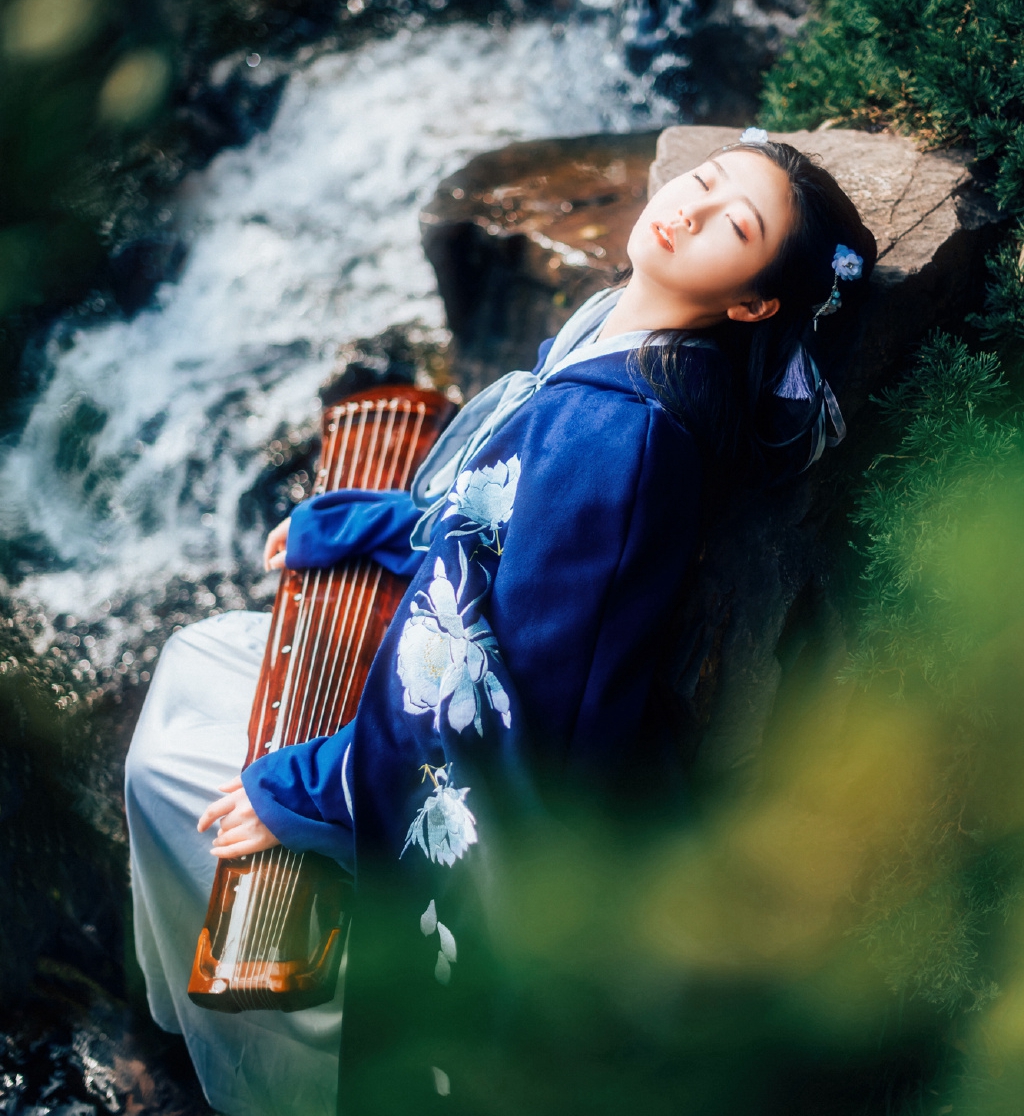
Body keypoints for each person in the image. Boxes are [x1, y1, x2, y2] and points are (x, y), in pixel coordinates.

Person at [125, 132, 877, 1116]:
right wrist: (363, 522)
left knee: (177, 771)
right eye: (702, 181)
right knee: (191, 661)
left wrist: (318, 780)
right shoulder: (621, 329)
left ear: (752, 303)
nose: (689, 208)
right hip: (447, 673)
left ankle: (276, 1081)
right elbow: (503, 512)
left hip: (504, 785)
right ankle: (194, 1027)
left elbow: (520, 697)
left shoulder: (626, 434)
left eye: (733, 224)